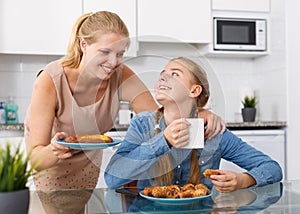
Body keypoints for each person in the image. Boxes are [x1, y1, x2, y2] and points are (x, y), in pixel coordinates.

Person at [24, 11, 225, 191]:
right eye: (105, 52)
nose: (113, 62)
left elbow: (159, 117)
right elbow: (36, 158)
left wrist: (197, 112)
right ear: (83, 45)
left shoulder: (119, 75)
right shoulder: (50, 81)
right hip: (51, 171)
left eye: (120, 54)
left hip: (89, 169)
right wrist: (56, 149)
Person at [104, 57, 282, 193]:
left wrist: (244, 180)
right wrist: (163, 140)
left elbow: (272, 168)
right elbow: (112, 178)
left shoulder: (213, 132)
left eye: (174, 74)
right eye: (162, 74)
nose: (163, 78)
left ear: (194, 90)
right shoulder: (143, 125)